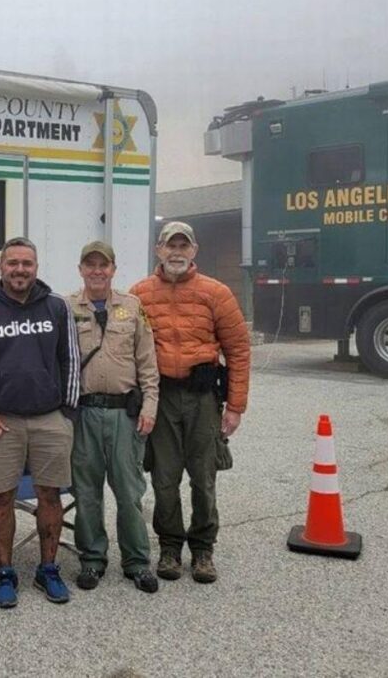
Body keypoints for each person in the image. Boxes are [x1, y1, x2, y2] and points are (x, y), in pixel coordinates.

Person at [0, 237, 80, 609]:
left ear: (36, 267)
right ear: (1, 267)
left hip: (49, 420)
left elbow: (70, 361)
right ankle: (6, 572)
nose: (20, 269)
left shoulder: (57, 307)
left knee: (49, 495)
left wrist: (66, 415)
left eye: (27, 263)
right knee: (2, 497)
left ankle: (48, 569)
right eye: (13, 263)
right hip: (1, 424)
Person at [130, 221, 250, 584]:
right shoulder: (139, 295)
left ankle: (202, 549)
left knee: (203, 476)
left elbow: (239, 350)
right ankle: (169, 546)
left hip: (202, 400)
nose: (177, 252)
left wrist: (235, 406)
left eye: (184, 245)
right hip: (161, 397)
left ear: (194, 251)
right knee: (164, 477)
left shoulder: (216, 293)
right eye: (170, 245)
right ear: (158, 251)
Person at [67, 241, 160, 594]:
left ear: (113, 269)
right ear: (81, 269)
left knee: (129, 491)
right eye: (90, 265)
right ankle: (92, 559)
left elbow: (148, 364)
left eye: (103, 265)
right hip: (84, 414)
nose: (96, 271)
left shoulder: (133, 307)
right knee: (87, 492)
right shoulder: (66, 307)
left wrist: (150, 407)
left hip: (125, 414)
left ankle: (137, 562)